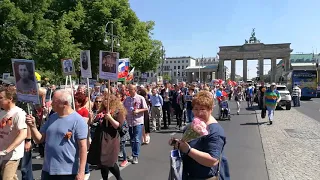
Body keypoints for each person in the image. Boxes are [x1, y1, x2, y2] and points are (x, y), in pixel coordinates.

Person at [25, 89, 88, 180]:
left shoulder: (78, 121)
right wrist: (33, 126)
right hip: (48, 170)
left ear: (65, 104)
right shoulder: (52, 117)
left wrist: (81, 172)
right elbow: (39, 139)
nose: (51, 104)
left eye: (54, 101)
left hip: (67, 172)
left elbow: (83, 147)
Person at [169, 91, 230, 180]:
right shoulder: (194, 124)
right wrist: (178, 144)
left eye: (202, 109)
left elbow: (212, 160)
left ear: (210, 109)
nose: (198, 113)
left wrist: (188, 150)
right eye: (196, 109)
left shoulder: (215, 131)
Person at [0, 88, 28, 180]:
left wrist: (7, 150)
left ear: (10, 99)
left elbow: (23, 134)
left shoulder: (19, 113)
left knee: (6, 178)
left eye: (1, 98)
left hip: (12, 155)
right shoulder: (2, 113)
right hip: (2, 153)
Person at [123, 84, 148, 164]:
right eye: (128, 89)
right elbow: (123, 109)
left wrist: (138, 111)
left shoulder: (140, 98)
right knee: (131, 139)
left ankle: (135, 156)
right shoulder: (127, 99)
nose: (129, 91)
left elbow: (146, 108)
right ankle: (133, 153)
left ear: (135, 90)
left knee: (136, 139)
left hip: (138, 121)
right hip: (129, 122)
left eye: (130, 89)